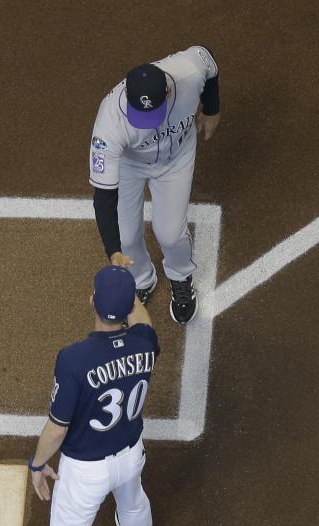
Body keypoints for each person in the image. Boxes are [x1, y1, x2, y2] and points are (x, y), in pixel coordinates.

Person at [28, 265, 159, 526]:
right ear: (130, 306)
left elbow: (56, 428)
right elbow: (143, 319)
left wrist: (37, 463)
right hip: (130, 453)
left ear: (92, 303)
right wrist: (130, 295)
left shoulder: (73, 359)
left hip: (85, 472)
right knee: (132, 496)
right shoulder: (146, 342)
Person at [89, 46, 220, 324]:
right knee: (125, 238)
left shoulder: (188, 72)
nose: (146, 124)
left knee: (171, 234)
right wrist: (112, 250)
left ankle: (181, 276)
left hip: (177, 159)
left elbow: (209, 64)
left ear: (169, 93)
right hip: (130, 165)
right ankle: (142, 280)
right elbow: (104, 197)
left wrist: (212, 109)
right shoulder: (109, 123)